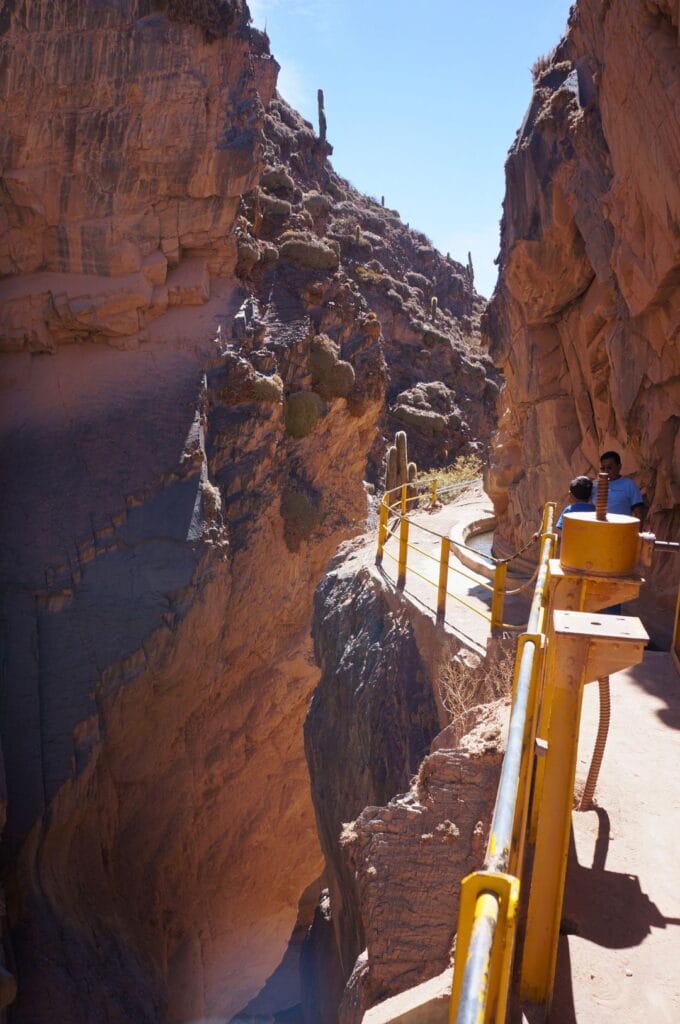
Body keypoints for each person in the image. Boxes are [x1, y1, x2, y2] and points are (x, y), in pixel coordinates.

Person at [593, 451, 644, 520]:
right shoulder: (595, 485)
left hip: (621, 529)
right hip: (599, 529)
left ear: (619, 467)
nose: (606, 471)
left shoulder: (629, 485)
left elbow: (639, 513)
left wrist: (638, 531)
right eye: (603, 468)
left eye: (609, 468)